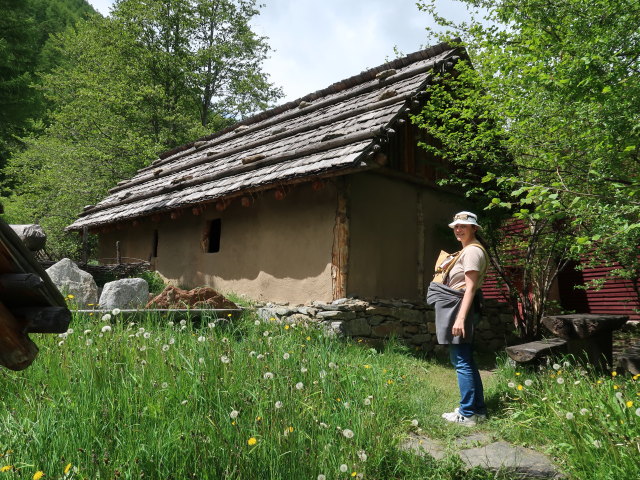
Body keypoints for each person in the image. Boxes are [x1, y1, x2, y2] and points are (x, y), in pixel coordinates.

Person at [426, 211, 489, 426]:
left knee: (461, 360)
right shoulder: (467, 251)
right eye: (456, 226)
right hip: (461, 307)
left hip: (461, 309)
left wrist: (460, 319)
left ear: (474, 228)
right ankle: (477, 410)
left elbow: (470, 288)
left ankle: (468, 413)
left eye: (464, 225)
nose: (459, 229)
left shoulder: (472, 252)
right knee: (465, 359)